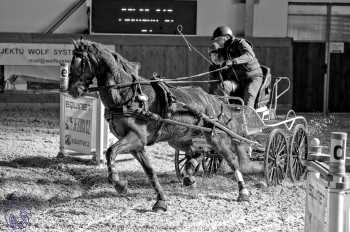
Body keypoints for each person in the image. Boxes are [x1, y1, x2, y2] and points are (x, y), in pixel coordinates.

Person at [208, 25, 263, 108]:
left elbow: (250, 55)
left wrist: (233, 61)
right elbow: (218, 59)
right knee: (224, 86)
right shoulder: (224, 50)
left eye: (217, 39)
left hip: (253, 77)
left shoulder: (240, 43)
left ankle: (247, 118)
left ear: (226, 37)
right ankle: (224, 112)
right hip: (237, 81)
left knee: (249, 93)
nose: (216, 42)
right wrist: (216, 63)